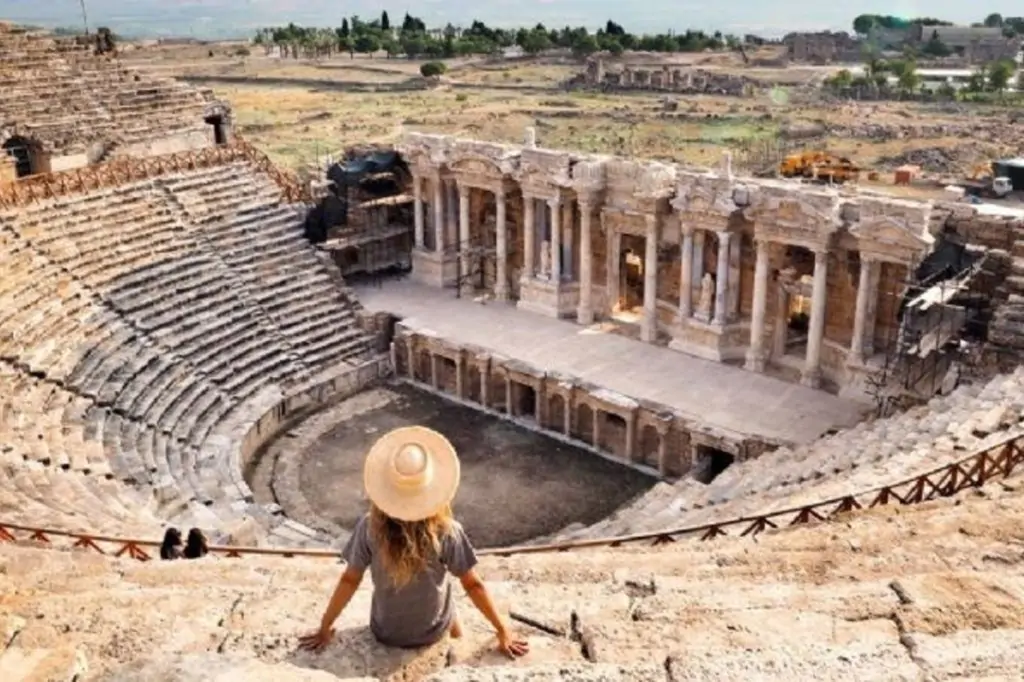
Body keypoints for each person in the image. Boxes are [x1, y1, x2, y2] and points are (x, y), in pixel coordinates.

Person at [300, 426, 529, 659]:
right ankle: (456, 640)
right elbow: (473, 585)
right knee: (450, 597)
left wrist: (324, 628)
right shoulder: (447, 531)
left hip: (386, 632)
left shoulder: (369, 527)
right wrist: (503, 630)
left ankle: (454, 638)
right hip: (432, 632)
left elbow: (350, 579)